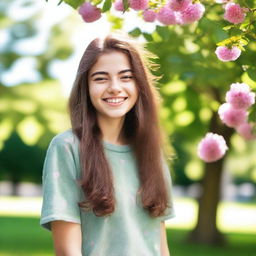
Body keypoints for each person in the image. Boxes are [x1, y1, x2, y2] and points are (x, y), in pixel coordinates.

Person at [40, 33, 175, 256]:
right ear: (86, 87)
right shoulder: (67, 147)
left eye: (126, 77)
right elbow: (67, 251)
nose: (114, 87)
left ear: (139, 84)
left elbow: (160, 244)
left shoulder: (152, 153)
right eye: (101, 78)